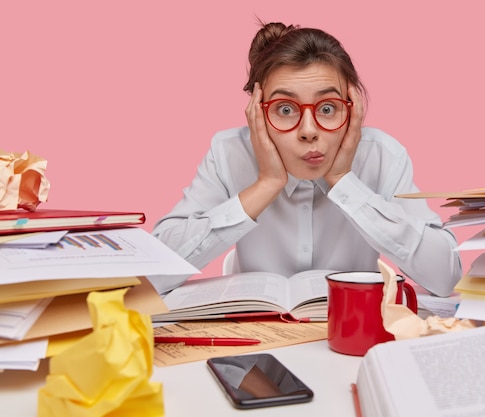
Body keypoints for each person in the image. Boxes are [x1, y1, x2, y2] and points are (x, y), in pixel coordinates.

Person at [149, 21, 462, 296]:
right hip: (255, 345)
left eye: (327, 108)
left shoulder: (382, 155)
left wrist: (344, 183)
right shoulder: (229, 152)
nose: (309, 131)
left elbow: (446, 276)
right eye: (285, 110)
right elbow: (150, 273)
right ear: (258, 112)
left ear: (352, 107)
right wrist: (266, 184)